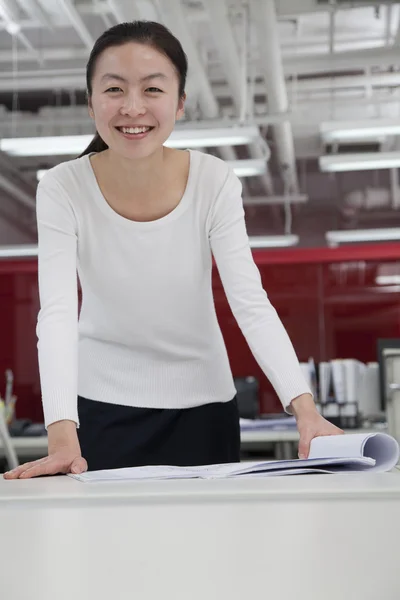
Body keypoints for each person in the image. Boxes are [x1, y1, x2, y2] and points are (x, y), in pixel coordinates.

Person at [4, 20, 342, 480]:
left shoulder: (214, 181)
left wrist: (305, 410)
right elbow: (58, 313)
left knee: (206, 549)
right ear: (90, 103)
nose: (132, 107)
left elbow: (250, 303)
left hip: (205, 409)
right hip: (100, 410)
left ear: (180, 103)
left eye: (152, 89)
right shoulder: (63, 188)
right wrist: (62, 434)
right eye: (114, 89)